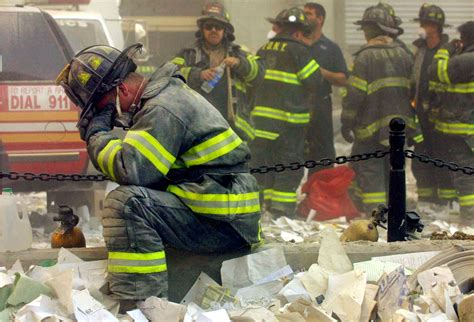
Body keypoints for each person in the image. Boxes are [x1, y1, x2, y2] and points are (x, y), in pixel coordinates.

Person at [56, 43, 262, 310]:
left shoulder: (162, 109)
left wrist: (97, 135)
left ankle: (142, 304)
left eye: (102, 106)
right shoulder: (162, 99)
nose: (106, 115)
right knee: (133, 201)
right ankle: (139, 291)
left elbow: (131, 169)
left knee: (127, 203)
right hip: (220, 214)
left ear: (121, 90)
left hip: (225, 222)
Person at [341, 5, 422, 214]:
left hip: (370, 130)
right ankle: (397, 213)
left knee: (371, 172)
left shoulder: (364, 57)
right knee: (395, 171)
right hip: (399, 130)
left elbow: (354, 96)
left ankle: (376, 216)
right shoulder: (404, 55)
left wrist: (346, 122)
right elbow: (413, 91)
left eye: (366, 28)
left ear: (372, 29)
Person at [250, 7, 323, 218]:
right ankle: (280, 210)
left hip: (262, 122)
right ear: (299, 32)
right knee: (288, 166)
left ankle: (258, 207)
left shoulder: (263, 49)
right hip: (289, 122)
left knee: (263, 165)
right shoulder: (299, 51)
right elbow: (314, 80)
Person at [171, 2, 264, 142]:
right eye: (208, 26)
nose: (213, 30)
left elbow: (259, 74)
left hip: (233, 129)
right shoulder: (187, 54)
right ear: (202, 29)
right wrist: (197, 74)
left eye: (218, 26)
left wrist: (239, 63)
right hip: (198, 126)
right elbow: (169, 75)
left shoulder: (239, 53)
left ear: (225, 30)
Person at [411, 4, 455, 210]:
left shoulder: (448, 50)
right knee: (421, 155)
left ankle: (446, 199)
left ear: (437, 27)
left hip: (442, 113)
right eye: (422, 23)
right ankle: (426, 199)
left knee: (442, 155)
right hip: (420, 112)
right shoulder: (419, 50)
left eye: (427, 23)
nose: (423, 27)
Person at [429, 21, 474, 217]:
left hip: (463, 128)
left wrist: (445, 49)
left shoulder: (466, 60)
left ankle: (469, 214)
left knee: (464, 170)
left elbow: (436, 71)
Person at [303, 2, 348, 169]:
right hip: (296, 105)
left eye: (309, 14)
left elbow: (343, 79)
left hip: (320, 105)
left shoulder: (330, 48)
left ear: (320, 19)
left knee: (322, 155)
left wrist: (320, 72)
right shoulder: (296, 45)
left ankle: (317, 193)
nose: (304, 16)